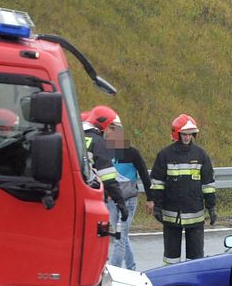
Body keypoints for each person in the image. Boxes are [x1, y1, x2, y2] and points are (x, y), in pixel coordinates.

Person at [150, 114, 216, 265]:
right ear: (177, 134)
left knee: (195, 259)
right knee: (171, 259)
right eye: (184, 134)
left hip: (195, 215)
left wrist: (212, 208)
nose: (187, 137)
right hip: (172, 215)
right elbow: (157, 183)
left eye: (190, 134)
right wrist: (157, 206)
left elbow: (208, 184)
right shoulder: (165, 155)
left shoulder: (201, 155)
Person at [104, 117, 154, 270]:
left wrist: (150, 198)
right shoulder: (105, 152)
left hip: (129, 200)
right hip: (111, 201)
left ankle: (115, 272)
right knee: (122, 236)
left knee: (119, 237)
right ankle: (131, 267)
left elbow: (145, 175)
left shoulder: (132, 153)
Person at [85, 105, 128, 223]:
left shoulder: (76, 137)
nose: (112, 134)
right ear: (103, 126)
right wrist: (120, 201)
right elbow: (108, 178)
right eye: (112, 128)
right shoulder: (98, 142)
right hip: (92, 198)